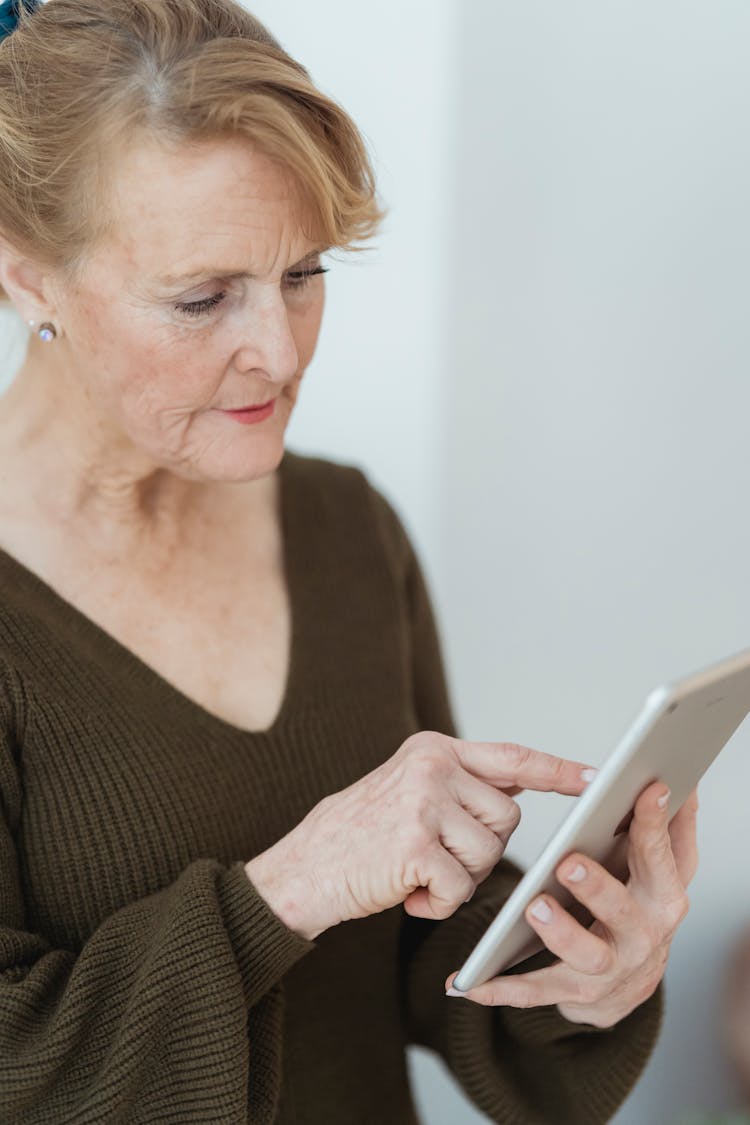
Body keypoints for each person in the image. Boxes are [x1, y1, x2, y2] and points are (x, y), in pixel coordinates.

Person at [0, 1, 698, 1122]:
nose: (278, 353)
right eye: (201, 297)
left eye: (304, 274)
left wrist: (587, 967)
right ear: (28, 276)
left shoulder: (345, 527)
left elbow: (422, 947)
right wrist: (289, 889)